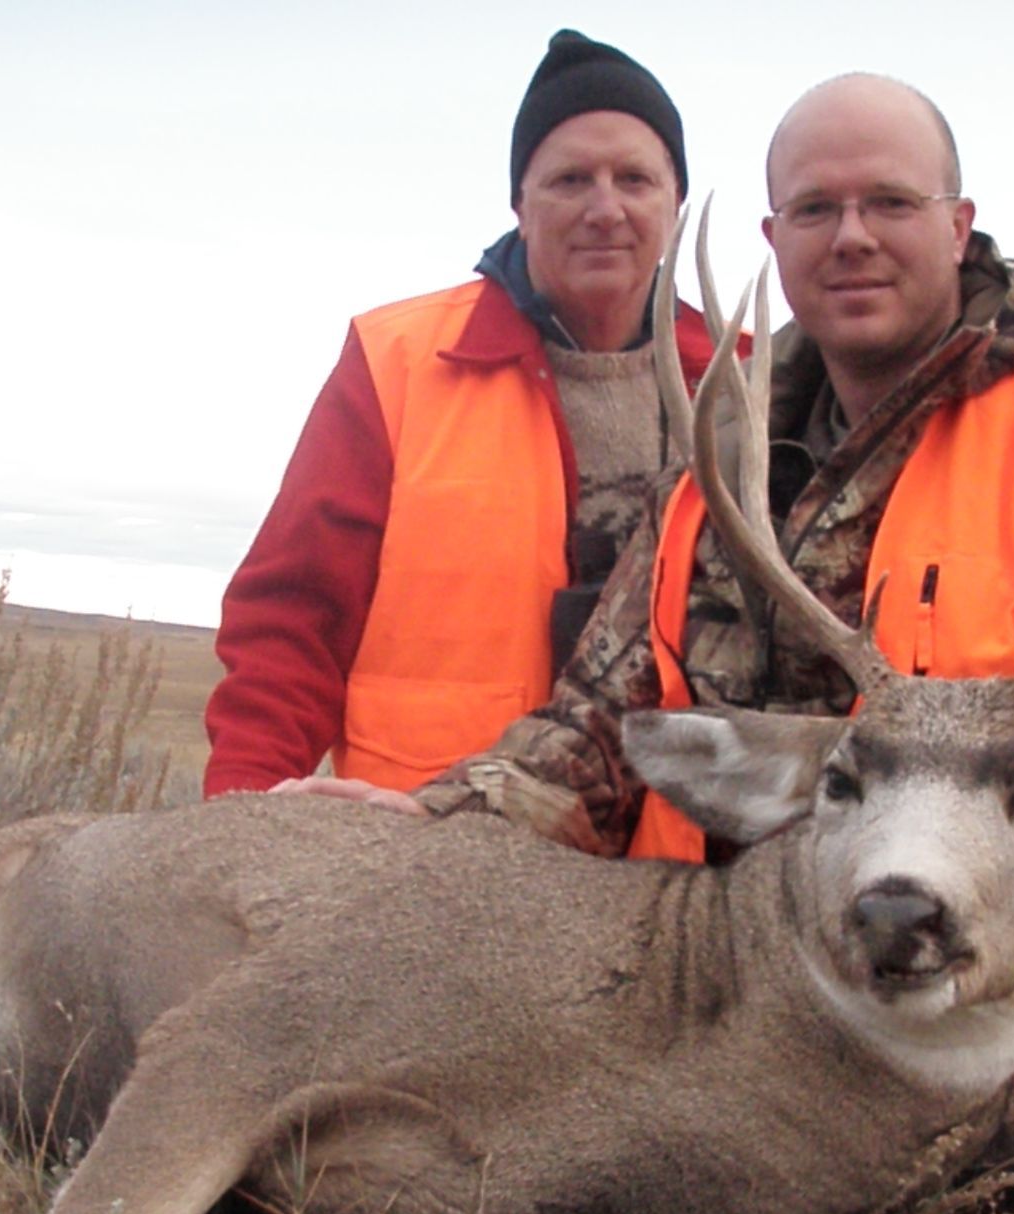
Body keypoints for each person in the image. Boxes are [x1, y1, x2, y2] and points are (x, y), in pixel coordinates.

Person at [416, 73, 1014, 1205]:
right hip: (717, 962)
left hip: (990, 991)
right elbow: (595, 722)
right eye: (818, 211)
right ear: (773, 238)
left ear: (958, 224)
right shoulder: (721, 459)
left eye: (890, 203)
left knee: (858, 1199)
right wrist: (418, 832)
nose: (853, 240)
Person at [203, 30, 730, 803]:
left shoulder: (749, 381)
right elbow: (293, 618)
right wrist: (241, 812)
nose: (605, 208)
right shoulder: (400, 362)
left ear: (675, 200)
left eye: (636, 179)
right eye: (569, 180)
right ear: (520, 201)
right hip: (430, 856)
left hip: (669, 864)